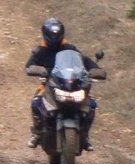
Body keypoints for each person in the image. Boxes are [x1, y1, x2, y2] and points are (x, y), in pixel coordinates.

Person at [25, 18, 101, 151]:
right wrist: (38, 70)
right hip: (50, 85)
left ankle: (85, 136)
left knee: (91, 105)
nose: (54, 38)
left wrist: (94, 69)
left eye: (56, 35)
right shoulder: (40, 51)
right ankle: (37, 133)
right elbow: (29, 66)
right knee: (36, 102)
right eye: (51, 35)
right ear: (45, 34)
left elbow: (84, 60)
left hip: (72, 84)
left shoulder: (70, 48)